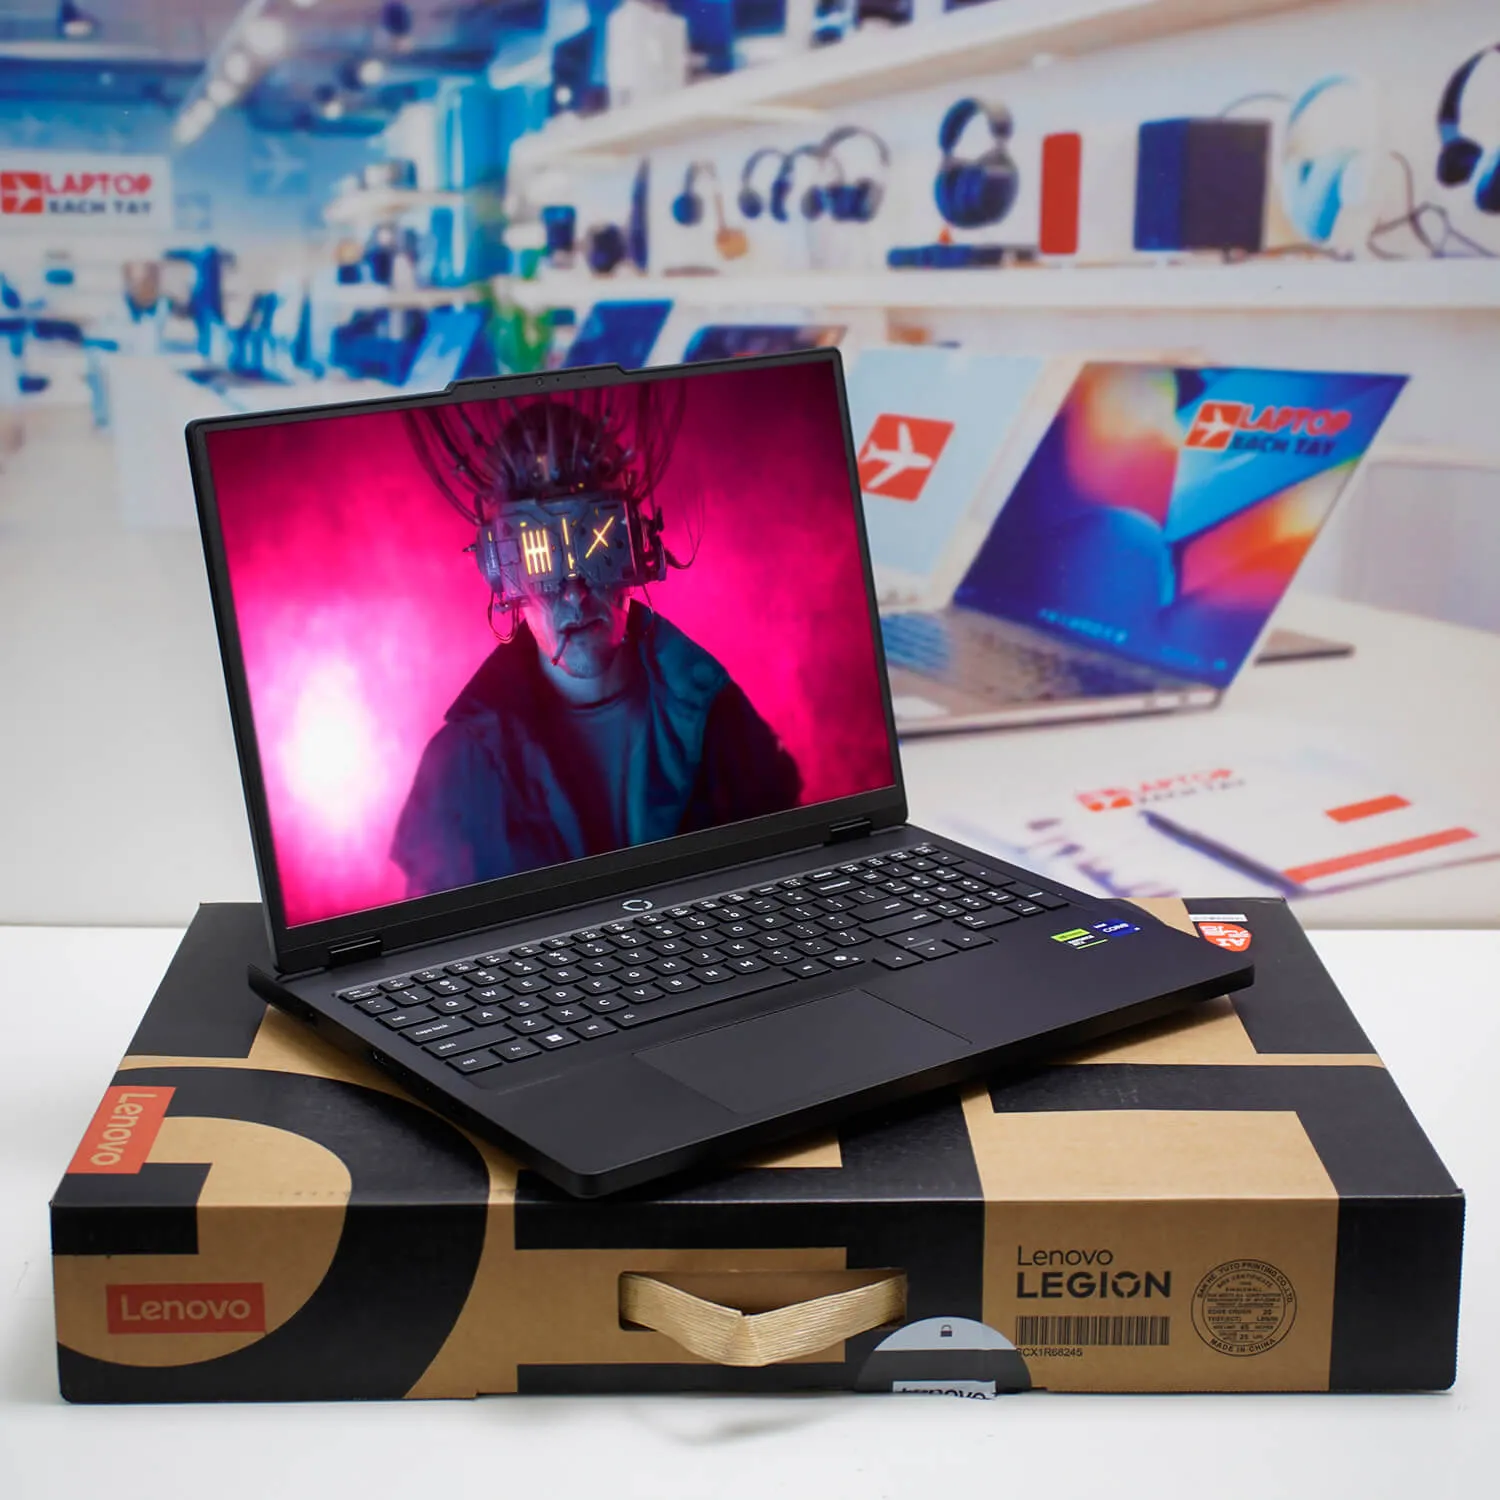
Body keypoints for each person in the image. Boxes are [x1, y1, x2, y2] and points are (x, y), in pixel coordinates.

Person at [391, 394, 802, 898]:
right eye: (538, 555)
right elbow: (443, 938)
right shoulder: (459, 768)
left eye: (597, 544)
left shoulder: (718, 721)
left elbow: (789, 888)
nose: (574, 592)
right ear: (498, 569)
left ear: (638, 547)